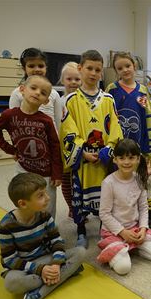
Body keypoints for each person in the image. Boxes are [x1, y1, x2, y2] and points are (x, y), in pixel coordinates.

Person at [60, 50, 123, 248]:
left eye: (97, 69)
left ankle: (105, 228)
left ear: (101, 73)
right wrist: (82, 152)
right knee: (80, 197)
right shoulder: (71, 100)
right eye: (89, 68)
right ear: (80, 68)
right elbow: (68, 132)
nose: (93, 73)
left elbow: (115, 128)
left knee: (106, 195)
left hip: (103, 159)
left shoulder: (108, 100)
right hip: (83, 160)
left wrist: (108, 150)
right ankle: (80, 230)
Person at [0, 173, 86, 299]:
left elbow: (57, 242)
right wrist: (40, 270)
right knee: (11, 283)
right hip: (25, 267)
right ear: (22, 204)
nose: (47, 198)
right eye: (41, 195)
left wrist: (56, 264)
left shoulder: (45, 216)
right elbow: (9, 260)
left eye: (45, 193)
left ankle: (40, 292)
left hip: (46, 258)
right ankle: (67, 272)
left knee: (80, 252)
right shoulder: (5, 226)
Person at [0, 75, 62, 219]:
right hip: (23, 168)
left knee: (46, 206)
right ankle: (28, 230)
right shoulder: (9, 115)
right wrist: (10, 149)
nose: (37, 93)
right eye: (33, 88)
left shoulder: (46, 120)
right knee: (24, 202)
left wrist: (57, 173)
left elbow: (55, 146)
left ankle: (49, 233)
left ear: (46, 100)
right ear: (22, 90)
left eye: (43, 93)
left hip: (45, 172)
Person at [97, 139, 151, 275]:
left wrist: (143, 228)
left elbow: (143, 207)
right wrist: (122, 232)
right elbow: (104, 214)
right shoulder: (108, 183)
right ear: (115, 160)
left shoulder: (139, 179)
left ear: (138, 159)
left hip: (134, 229)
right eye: (121, 158)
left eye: (131, 158)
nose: (126, 162)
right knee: (124, 268)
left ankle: (130, 246)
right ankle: (118, 245)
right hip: (114, 231)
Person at [106, 52, 151, 157]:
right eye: (120, 68)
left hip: (137, 145)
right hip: (116, 144)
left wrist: (147, 148)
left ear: (134, 66)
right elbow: (106, 117)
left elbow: (147, 119)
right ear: (116, 71)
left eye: (128, 66)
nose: (125, 70)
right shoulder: (112, 89)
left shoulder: (142, 91)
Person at [9, 48, 62, 131]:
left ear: (46, 68)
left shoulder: (54, 94)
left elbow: (59, 121)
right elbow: (13, 123)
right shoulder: (17, 93)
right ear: (24, 69)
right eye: (31, 66)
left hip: (51, 141)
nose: (37, 69)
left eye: (41, 66)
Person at [58, 62, 81, 218]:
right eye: (69, 79)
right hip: (65, 147)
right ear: (62, 80)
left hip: (81, 145)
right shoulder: (59, 101)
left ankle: (82, 206)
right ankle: (71, 208)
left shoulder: (83, 101)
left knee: (80, 179)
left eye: (77, 79)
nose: (73, 82)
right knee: (66, 181)